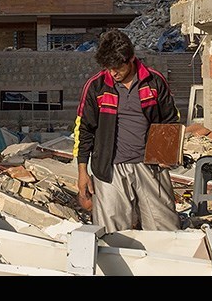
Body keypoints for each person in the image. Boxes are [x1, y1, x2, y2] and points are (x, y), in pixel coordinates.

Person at [73, 28, 182, 233]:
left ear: (131, 59)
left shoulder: (154, 81)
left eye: (117, 68)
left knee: (165, 229)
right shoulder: (96, 86)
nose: (113, 73)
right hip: (109, 170)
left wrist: (167, 153)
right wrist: (82, 172)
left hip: (151, 167)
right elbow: (84, 129)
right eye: (108, 67)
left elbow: (170, 119)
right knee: (111, 233)